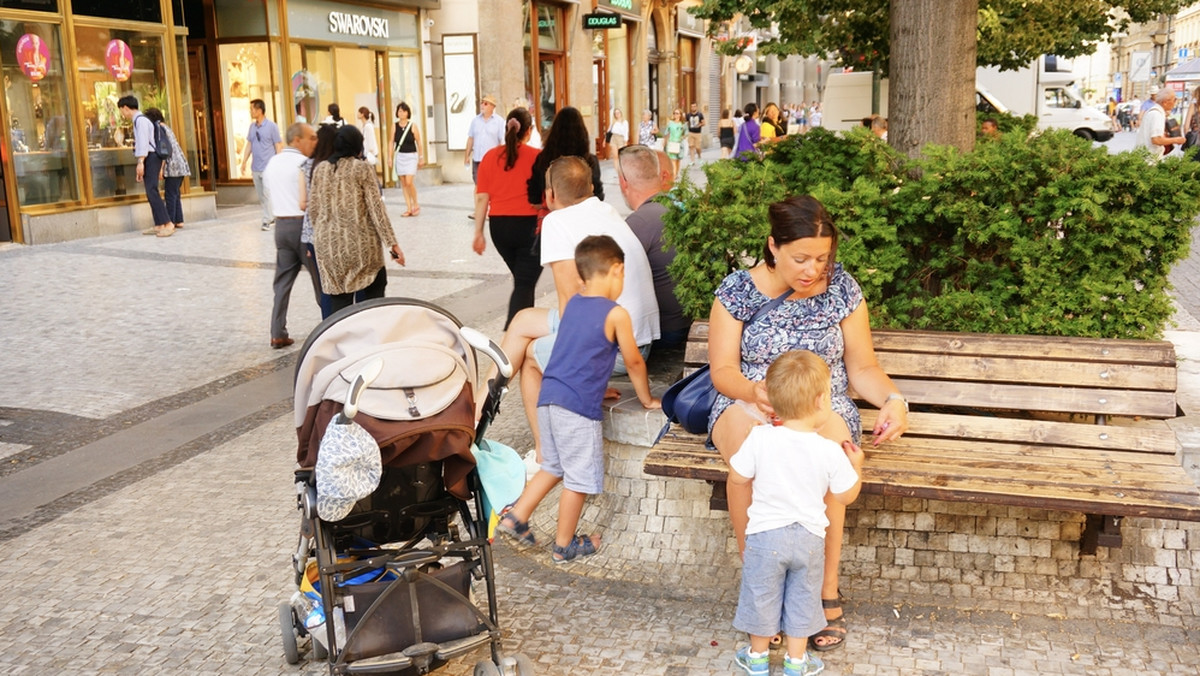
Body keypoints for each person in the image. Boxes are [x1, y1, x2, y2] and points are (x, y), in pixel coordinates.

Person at [708, 195, 908, 653]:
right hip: (752, 401)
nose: (812, 269)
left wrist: (893, 400)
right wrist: (755, 392)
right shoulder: (737, 291)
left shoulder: (842, 289)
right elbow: (723, 372)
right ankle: (761, 587)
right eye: (800, 258)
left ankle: (824, 589)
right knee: (753, 462)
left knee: (827, 459)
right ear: (772, 246)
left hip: (823, 405)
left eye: (822, 258)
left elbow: (863, 369)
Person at [497, 235, 661, 563]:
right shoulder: (616, 314)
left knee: (553, 465)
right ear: (617, 270)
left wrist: (598, 387)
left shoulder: (572, 306)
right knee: (578, 478)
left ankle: (516, 518)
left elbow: (575, 353)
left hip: (551, 396)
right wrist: (646, 399)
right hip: (576, 409)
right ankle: (564, 545)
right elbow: (633, 362)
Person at [485, 156, 659, 462]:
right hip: (629, 332)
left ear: (550, 194)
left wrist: (586, 374)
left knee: (531, 357)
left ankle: (544, 454)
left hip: (619, 342)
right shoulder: (604, 209)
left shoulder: (556, 221)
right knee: (523, 319)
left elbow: (569, 305)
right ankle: (478, 411)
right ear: (591, 187)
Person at [729, 350, 863, 676]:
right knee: (803, 600)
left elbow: (737, 476)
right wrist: (856, 466)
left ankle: (758, 658)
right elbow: (845, 495)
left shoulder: (760, 437)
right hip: (809, 539)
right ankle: (797, 662)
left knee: (762, 596)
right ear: (820, 401)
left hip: (765, 536)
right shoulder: (830, 451)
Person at [308, 125, 405, 314]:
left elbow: (313, 210)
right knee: (373, 294)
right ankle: (370, 334)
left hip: (328, 249)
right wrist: (392, 244)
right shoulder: (362, 169)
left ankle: (340, 337)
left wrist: (322, 236)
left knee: (338, 304)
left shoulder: (321, 170)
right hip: (361, 247)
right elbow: (376, 210)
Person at [471, 107, 542, 328]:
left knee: (523, 282)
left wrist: (479, 233)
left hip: (500, 229)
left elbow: (482, 198)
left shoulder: (490, 157)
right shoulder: (537, 157)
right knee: (524, 283)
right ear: (528, 131)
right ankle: (514, 335)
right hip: (529, 227)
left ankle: (525, 334)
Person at [617, 144, 691, 348]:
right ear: (660, 175)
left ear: (624, 182)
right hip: (690, 324)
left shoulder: (638, 222)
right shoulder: (682, 209)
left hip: (664, 333)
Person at [263, 122, 320, 349]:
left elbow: (268, 193)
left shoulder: (272, 163)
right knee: (321, 282)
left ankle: (277, 332)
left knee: (282, 283)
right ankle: (333, 325)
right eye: (311, 138)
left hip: (282, 226)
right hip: (303, 226)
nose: (315, 142)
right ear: (297, 139)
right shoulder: (304, 164)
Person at [118, 95, 174, 237]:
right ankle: (159, 224)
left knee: (152, 191)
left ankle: (168, 223)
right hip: (150, 157)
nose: (122, 114)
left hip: (150, 157)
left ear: (126, 108)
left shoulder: (141, 121)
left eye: (121, 111)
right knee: (151, 191)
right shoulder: (140, 120)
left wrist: (140, 162)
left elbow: (143, 143)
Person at [302, 123, 338, 318]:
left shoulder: (308, 165)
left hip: (313, 234)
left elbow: (304, 204)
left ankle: (327, 326)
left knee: (325, 286)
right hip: (334, 231)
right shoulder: (335, 166)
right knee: (339, 285)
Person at [141, 107, 190, 236]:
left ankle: (171, 222)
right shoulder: (166, 127)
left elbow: (163, 150)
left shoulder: (159, 128)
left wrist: (161, 168)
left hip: (172, 165)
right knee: (175, 193)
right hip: (181, 164)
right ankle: (179, 220)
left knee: (170, 194)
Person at [240, 98, 283, 231]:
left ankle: (267, 220)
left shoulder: (272, 126)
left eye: (252, 109)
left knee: (267, 193)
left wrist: (279, 164)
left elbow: (278, 145)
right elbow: (249, 145)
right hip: (256, 167)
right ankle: (273, 216)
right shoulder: (252, 127)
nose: (250, 112)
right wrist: (244, 161)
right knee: (261, 195)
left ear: (259, 110)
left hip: (268, 167)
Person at [391, 102, 424, 217]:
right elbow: (391, 142)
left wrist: (421, 157)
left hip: (411, 156)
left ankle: (415, 203)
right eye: (399, 111)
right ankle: (409, 208)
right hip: (400, 156)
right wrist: (390, 158)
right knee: (404, 183)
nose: (401, 113)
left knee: (409, 182)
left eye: (404, 111)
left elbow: (419, 142)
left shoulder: (413, 126)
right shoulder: (394, 126)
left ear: (407, 113)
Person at [464, 94, 505, 184]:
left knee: (492, 185)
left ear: (492, 107)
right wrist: (467, 156)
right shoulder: (475, 121)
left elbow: (502, 141)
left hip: (492, 161)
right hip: (477, 160)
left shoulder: (499, 122)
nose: (482, 105)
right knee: (478, 185)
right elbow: (471, 139)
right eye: (481, 103)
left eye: (485, 103)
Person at [1138, 88, 1185, 160]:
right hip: (1150, 159)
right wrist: (1176, 140)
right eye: (1174, 100)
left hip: (1147, 157)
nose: (1175, 102)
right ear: (1165, 102)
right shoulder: (1157, 114)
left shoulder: (1155, 112)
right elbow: (1156, 140)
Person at [664, 108, 686, 178]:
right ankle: (673, 176)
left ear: (680, 115)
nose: (675, 115)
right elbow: (666, 133)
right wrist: (664, 142)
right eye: (674, 113)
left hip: (679, 144)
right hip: (671, 143)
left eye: (677, 113)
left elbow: (686, 134)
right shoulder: (670, 123)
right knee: (673, 160)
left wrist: (682, 138)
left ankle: (676, 174)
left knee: (677, 160)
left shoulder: (683, 124)